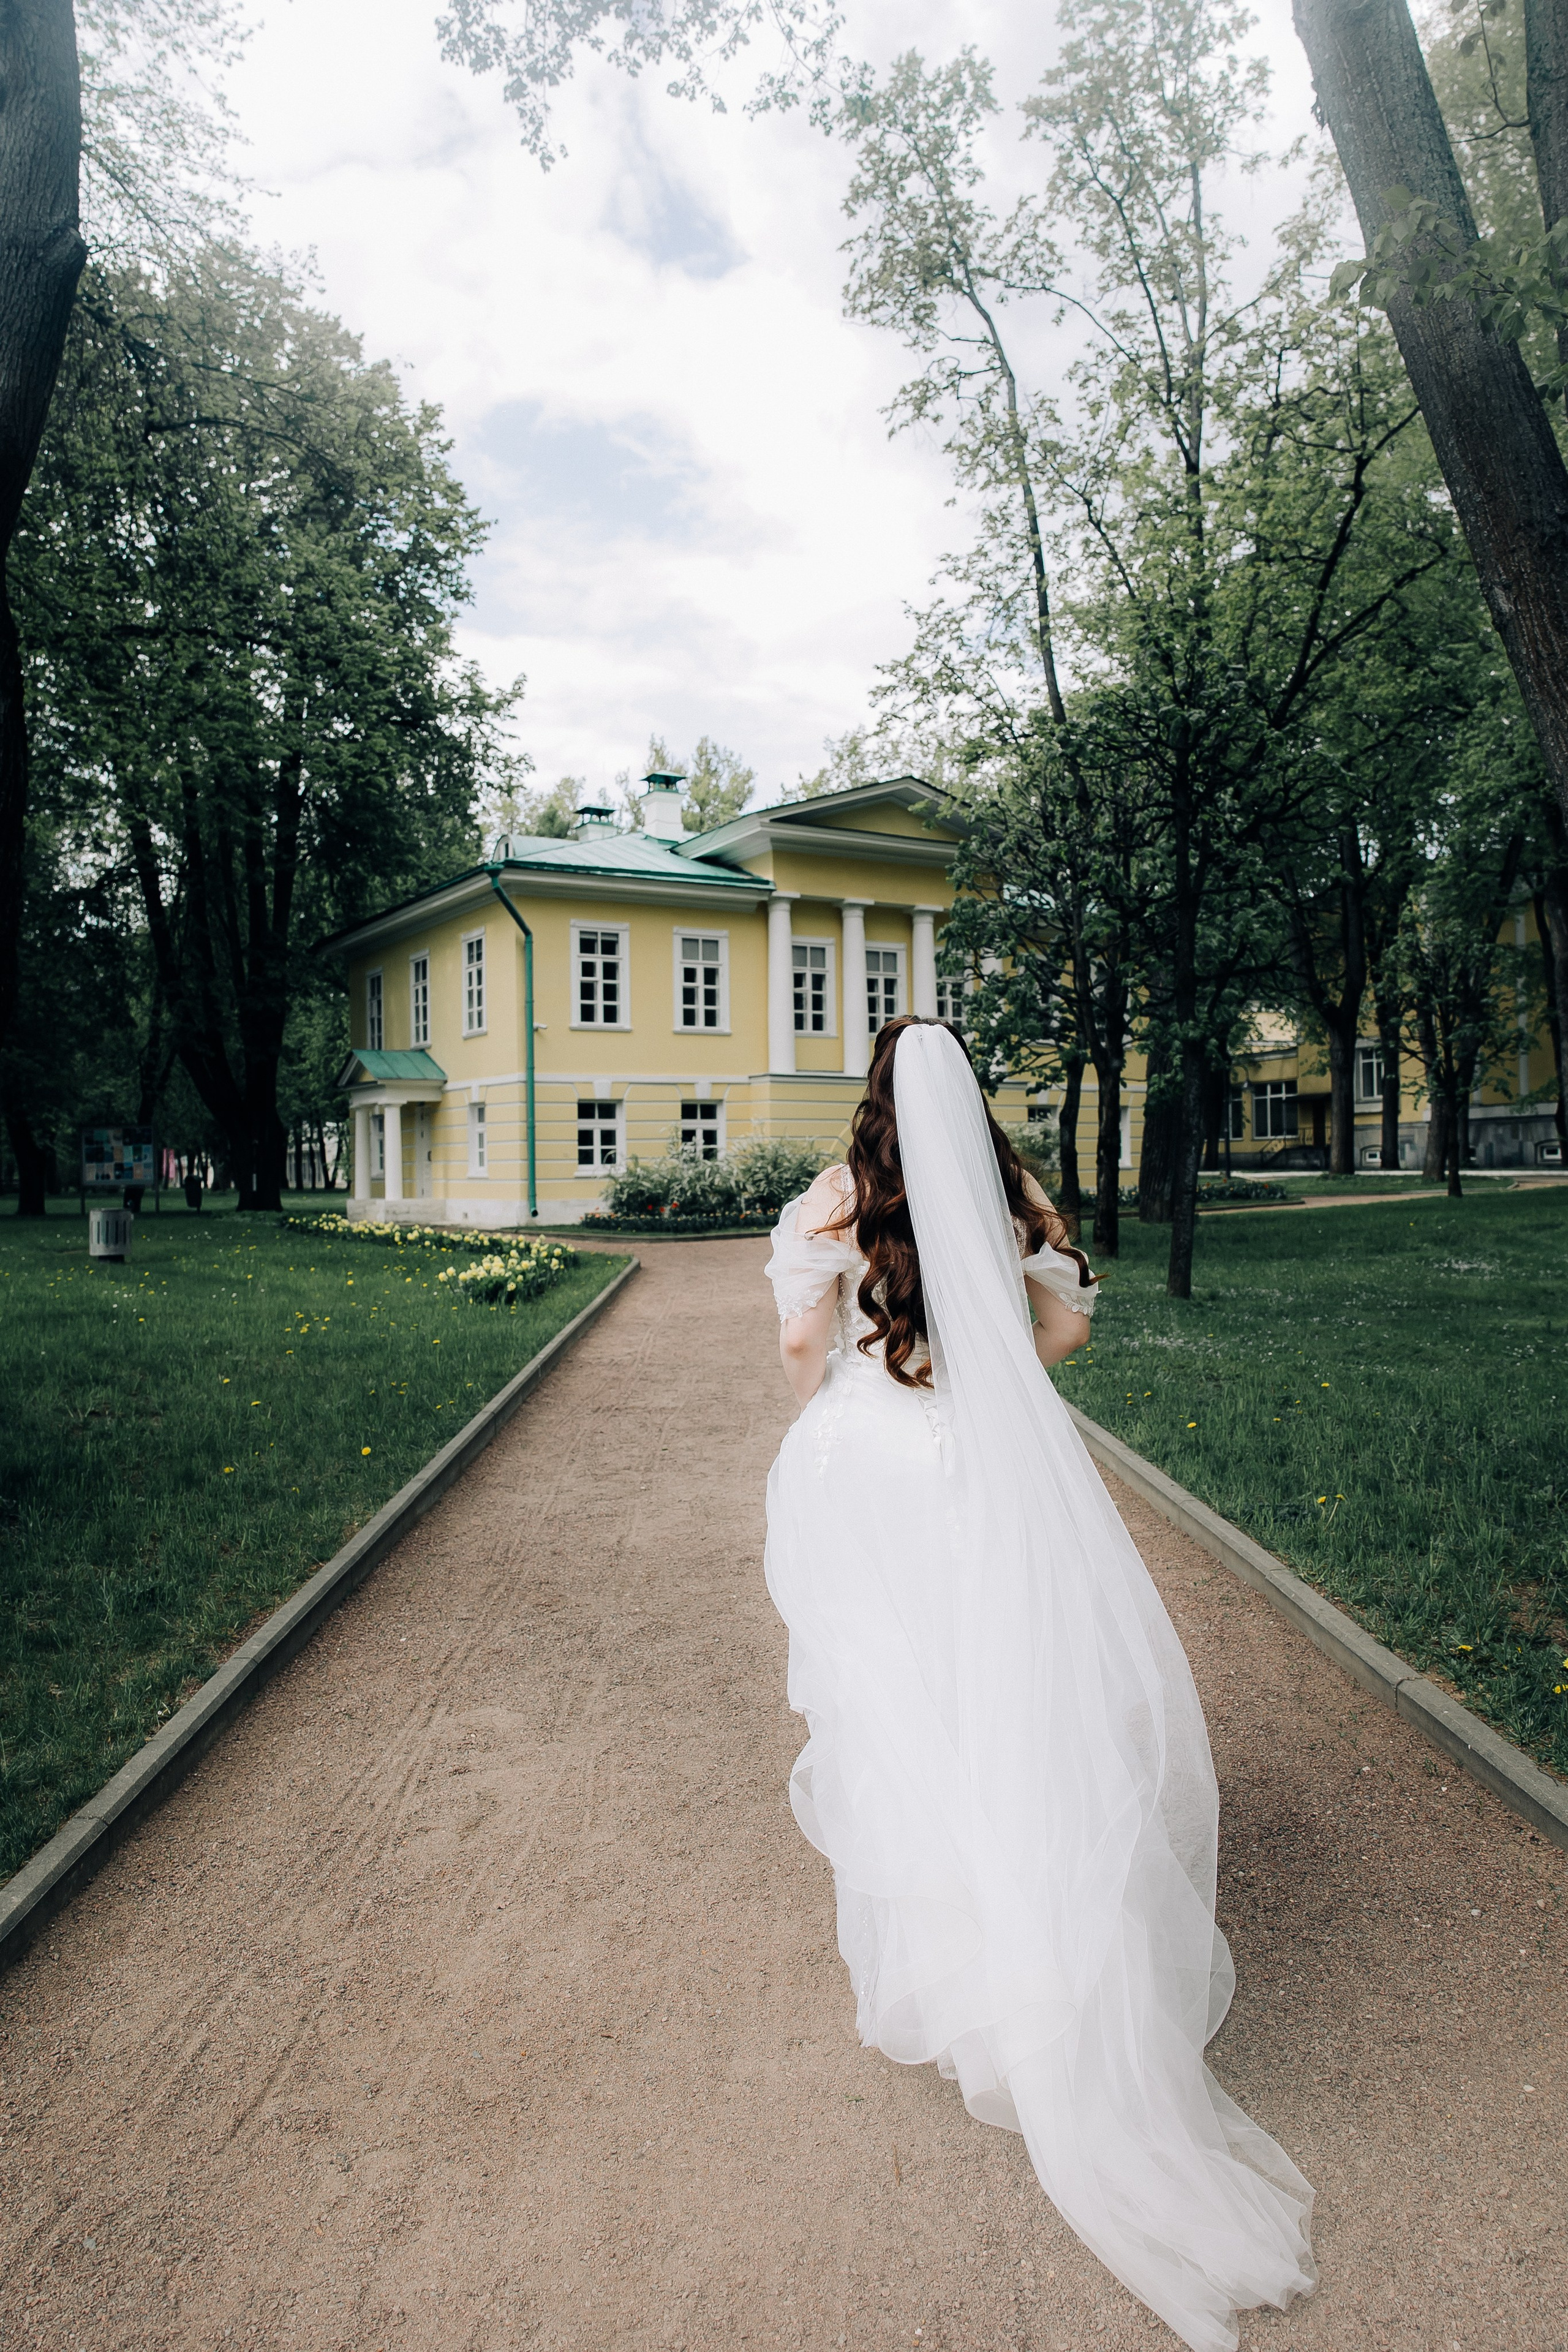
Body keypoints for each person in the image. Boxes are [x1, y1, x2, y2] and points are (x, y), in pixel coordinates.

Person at [763, 1016, 1316, 2352]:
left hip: (866, 1467)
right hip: (979, 1468)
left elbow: (797, 1350)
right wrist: (987, 1383)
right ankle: (1047, 1939)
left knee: (896, 1711)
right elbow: (1060, 1328)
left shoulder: (833, 1201)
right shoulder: (1018, 1200)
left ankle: (956, 1963)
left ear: (874, 1099)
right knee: (1008, 1694)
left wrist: (846, 1386)